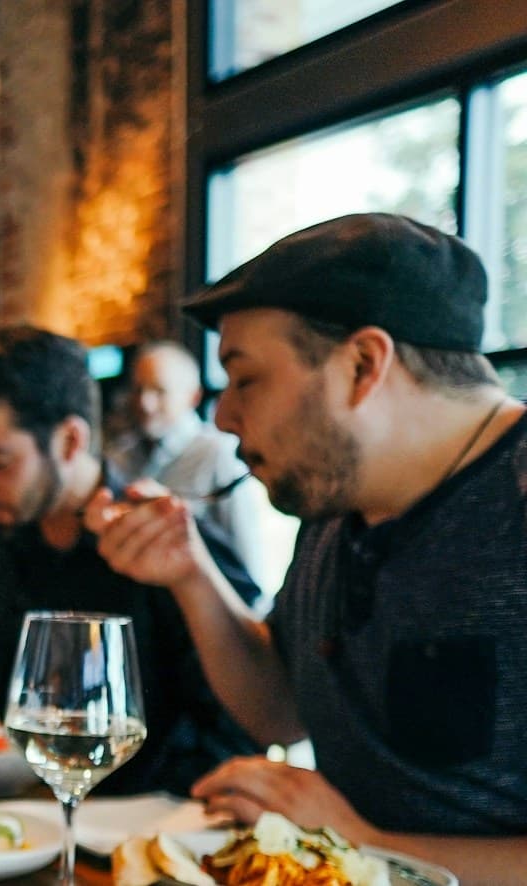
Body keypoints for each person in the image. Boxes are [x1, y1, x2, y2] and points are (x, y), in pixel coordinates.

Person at [88, 213, 527, 881]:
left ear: (362, 364)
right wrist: (190, 574)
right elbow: (280, 709)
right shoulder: (336, 500)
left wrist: (362, 841)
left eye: (245, 378)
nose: (222, 416)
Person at [0, 326, 262, 796]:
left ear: (70, 441)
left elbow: (239, 726)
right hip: (14, 818)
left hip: (138, 836)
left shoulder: (166, 544)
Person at [105, 341, 269, 583]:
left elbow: (247, 558)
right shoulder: (119, 455)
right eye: (138, 390)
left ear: (193, 397)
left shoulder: (217, 454)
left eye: (159, 391)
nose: (145, 403)